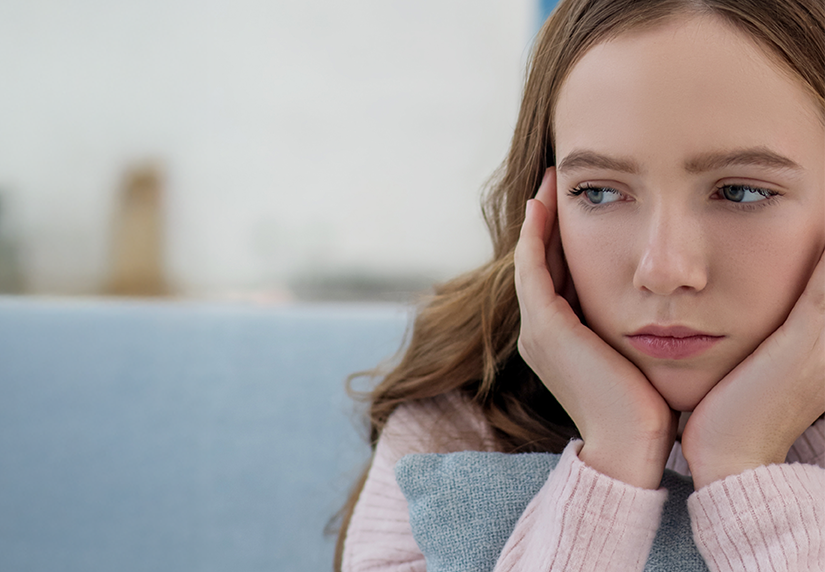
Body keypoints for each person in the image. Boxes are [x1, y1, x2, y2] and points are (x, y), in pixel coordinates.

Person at [336, 0, 825, 570]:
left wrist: (743, 463)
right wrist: (615, 457)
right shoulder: (460, 415)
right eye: (599, 192)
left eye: (741, 192)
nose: (662, 269)